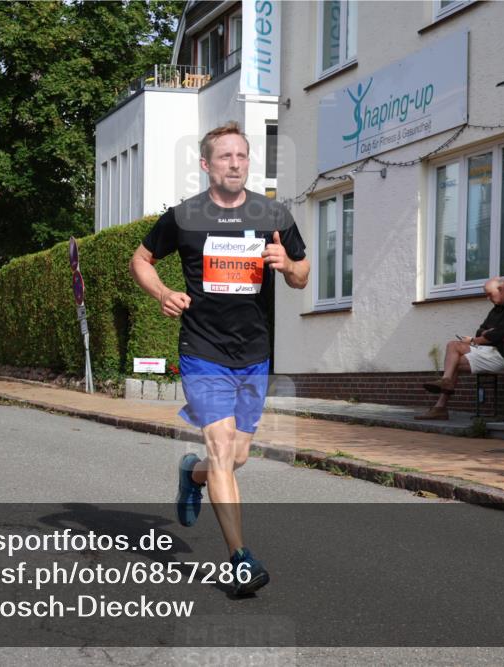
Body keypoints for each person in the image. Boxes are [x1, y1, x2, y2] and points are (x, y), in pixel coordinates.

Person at [130, 121, 310, 597]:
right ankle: (240, 559)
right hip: (202, 350)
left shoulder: (273, 213)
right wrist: (164, 293)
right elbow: (140, 260)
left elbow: (303, 274)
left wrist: (287, 265)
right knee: (223, 449)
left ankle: (192, 476)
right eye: (226, 156)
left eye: (243, 156)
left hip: (253, 353)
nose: (236, 163)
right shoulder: (183, 216)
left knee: (236, 456)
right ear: (207, 164)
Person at [415, 277, 504, 420]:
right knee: (453, 351)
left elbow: (494, 336)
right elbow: (481, 332)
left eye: (489, 294)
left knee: (453, 352)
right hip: (485, 352)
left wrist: (481, 338)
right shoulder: (494, 311)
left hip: (499, 356)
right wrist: (487, 335)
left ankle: (442, 400)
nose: (487, 298)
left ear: (501, 289)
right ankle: (442, 398)